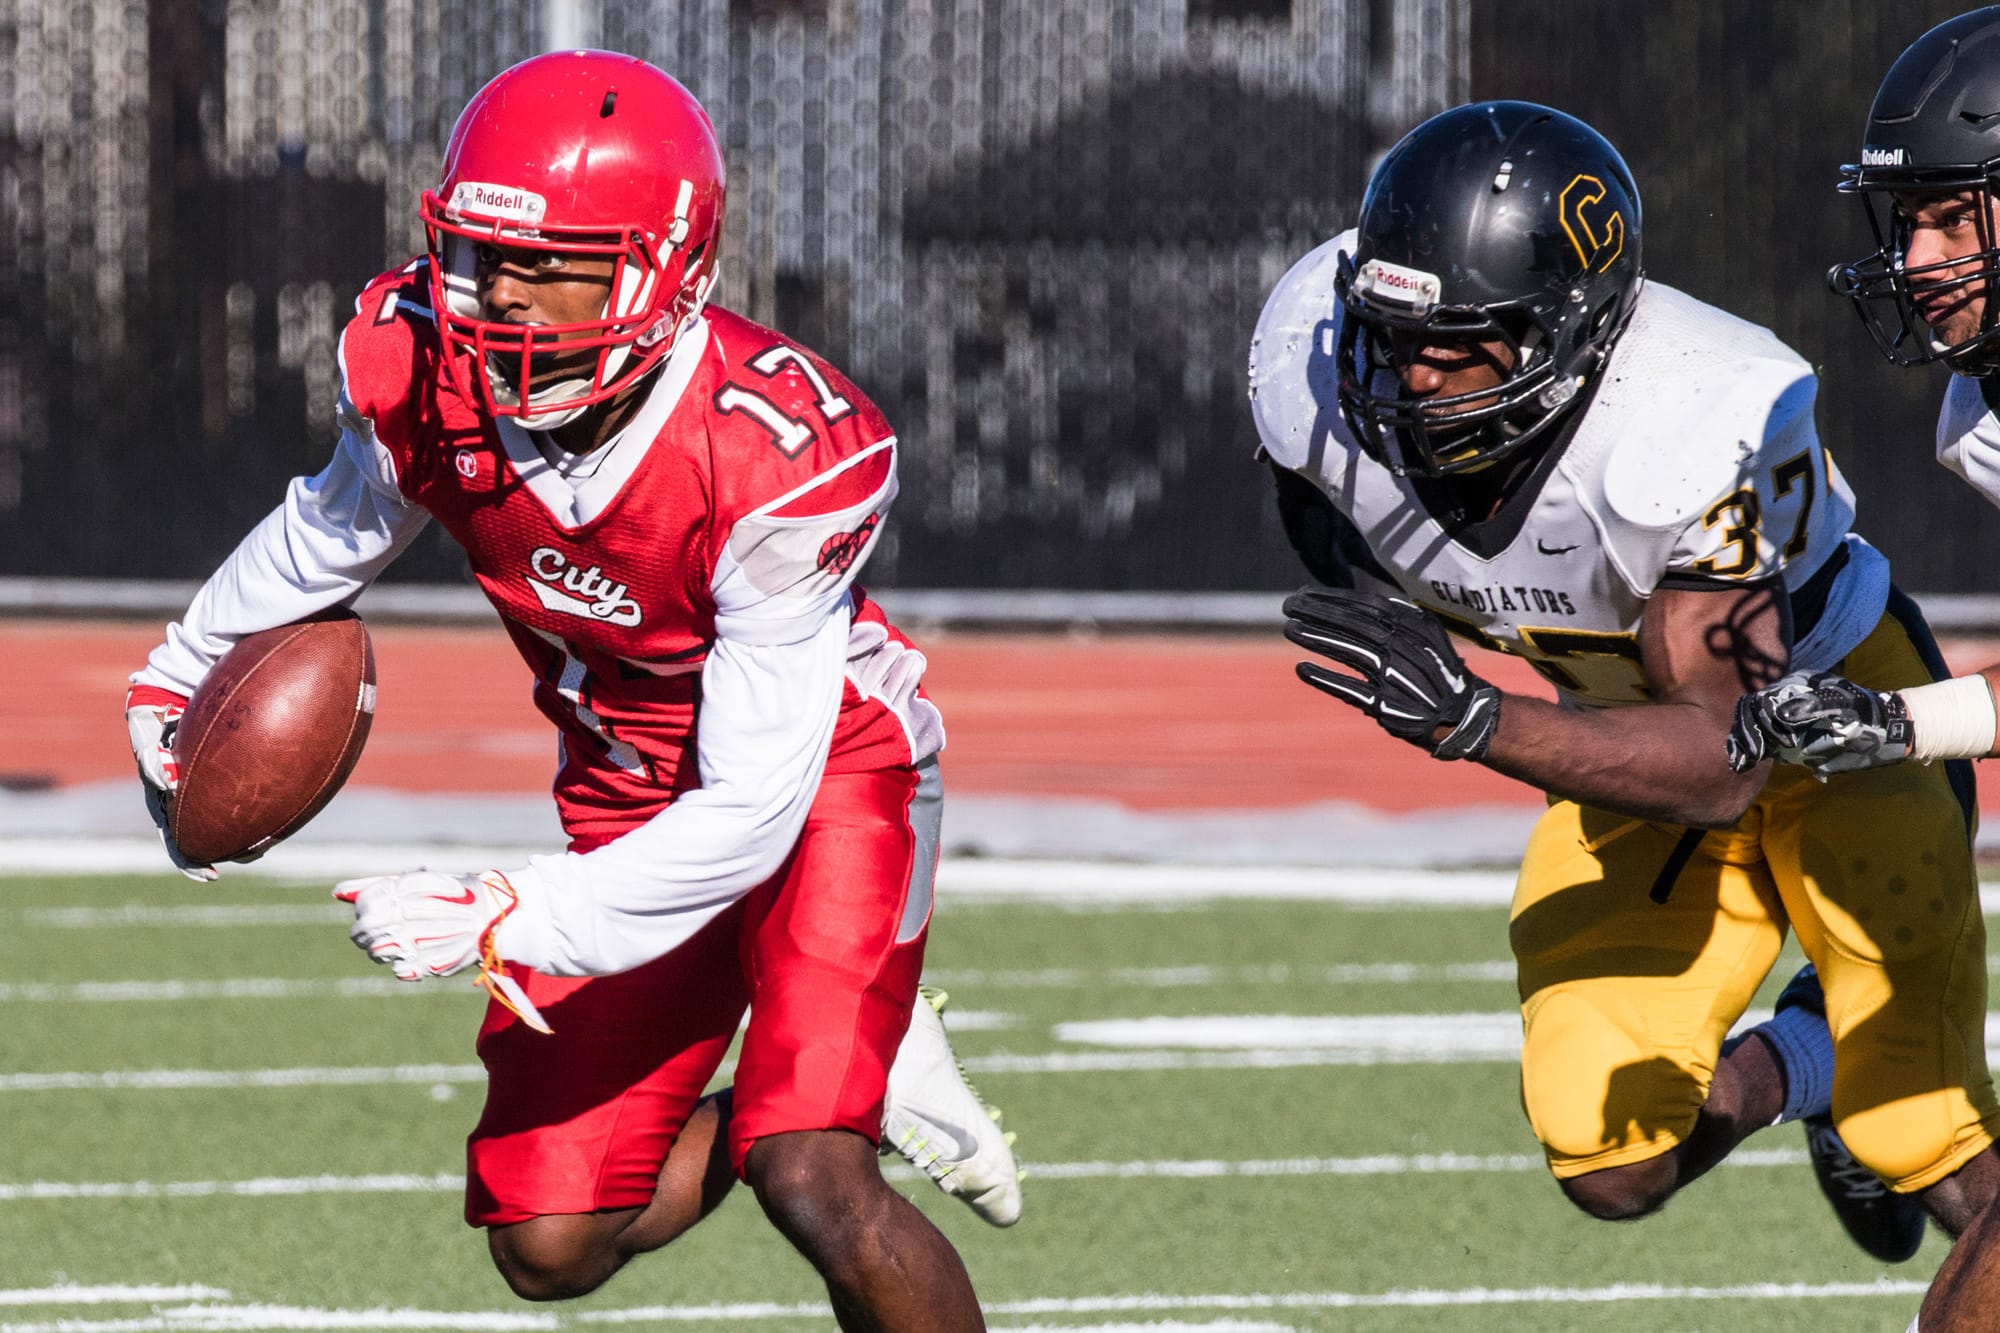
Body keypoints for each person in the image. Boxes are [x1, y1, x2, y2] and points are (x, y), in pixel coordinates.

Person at [122, 50, 1017, 1327]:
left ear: (666, 269)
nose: (503, 295)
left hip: (824, 779)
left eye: (551, 265)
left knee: (809, 1174)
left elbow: (752, 809)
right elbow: (329, 532)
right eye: (486, 255)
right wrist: (178, 672)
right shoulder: (422, 363)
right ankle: (847, 1061)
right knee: (549, 1245)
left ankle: (829, 1086)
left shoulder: (769, 456)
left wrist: (513, 909)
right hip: (622, 779)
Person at [1250, 99, 2000, 1270]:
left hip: (1825, 713)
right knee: (1608, 1155)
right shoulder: (1315, 360)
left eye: (1459, 340)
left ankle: (1856, 1069)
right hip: (1630, 737)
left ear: (1570, 333)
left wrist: (1474, 717)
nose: (1412, 373)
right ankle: (1805, 1061)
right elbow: (1330, 528)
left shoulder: (1694, 421)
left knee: (1925, 1134)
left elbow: (1718, 760)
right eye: (1394, 334)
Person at [1728, 10, 2000, 1328]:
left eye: (1952, 217)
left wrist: (1898, 722)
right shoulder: (1979, 408)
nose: (1918, 259)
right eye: (1907, 222)